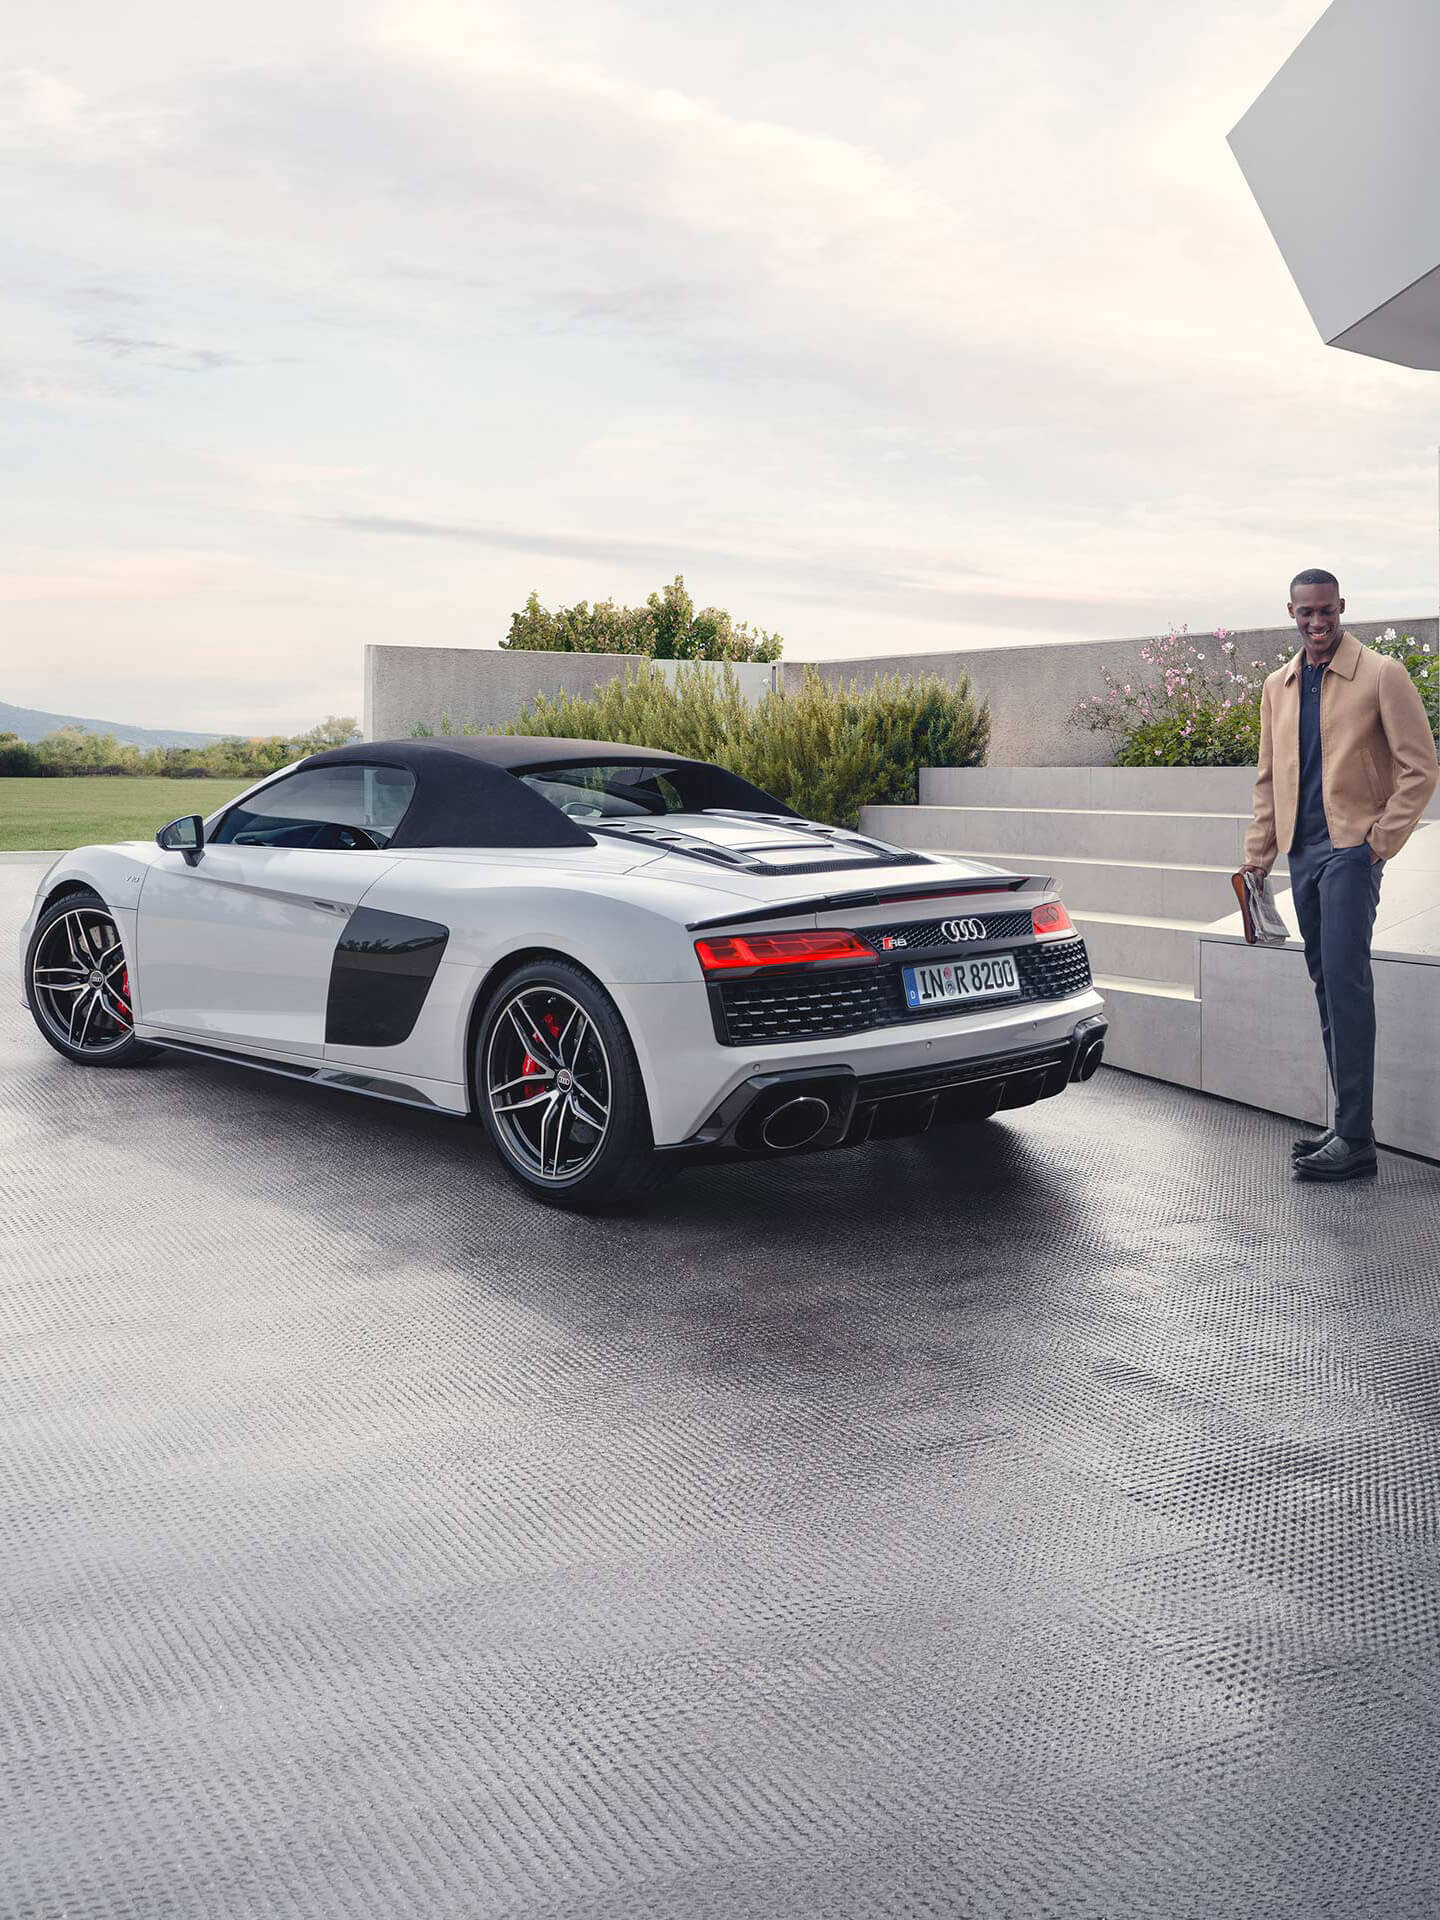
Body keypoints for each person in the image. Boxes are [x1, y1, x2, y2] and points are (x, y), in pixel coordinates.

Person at [1243, 569, 1438, 1181]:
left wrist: (1376, 845)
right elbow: (1270, 779)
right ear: (1292, 613)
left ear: (1341, 608)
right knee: (1327, 984)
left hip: (1350, 854)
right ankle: (1348, 1123)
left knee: (1348, 986)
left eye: (1326, 612)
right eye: (1306, 613)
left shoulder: (1382, 674)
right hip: (1303, 855)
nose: (1317, 623)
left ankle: (1356, 1138)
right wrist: (1258, 856)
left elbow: (1421, 768)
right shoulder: (1279, 685)